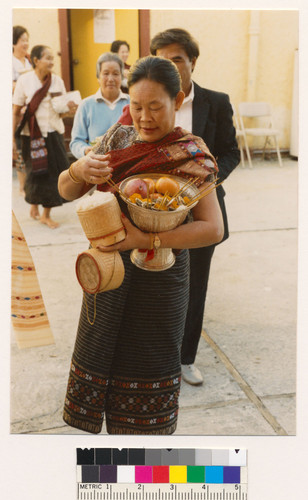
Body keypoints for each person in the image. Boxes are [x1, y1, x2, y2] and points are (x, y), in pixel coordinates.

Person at [59, 56, 224, 435]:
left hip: (160, 281)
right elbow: (65, 190)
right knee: (101, 355)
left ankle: (146, 465)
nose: (144, 118)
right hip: (108, 273)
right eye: (136, 106)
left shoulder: (191, 152)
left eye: (155, 107)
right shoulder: (118, 138)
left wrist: (147, 238)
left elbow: (212, 228)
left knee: (148, 370)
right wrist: (77, 170)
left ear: (178, 100)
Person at [150, 28, 240, 385]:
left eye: (176, 59)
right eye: (161, 59)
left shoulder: (215, 102)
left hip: (203, 213)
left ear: (192, 62)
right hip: (155, 210)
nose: (170, 67)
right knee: (156, 286)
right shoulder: (151, 103)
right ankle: (155, 357)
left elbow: (231, 151)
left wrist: (209, 182)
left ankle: (185, 359)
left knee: (195, 286)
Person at [12, 45, 77, 228]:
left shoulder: (56, 81)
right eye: (47, 58)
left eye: (52, 58)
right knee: (34, 173)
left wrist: (70, 109)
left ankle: (45, 214)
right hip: (30, 135)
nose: (51, 61)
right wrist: (11, 139)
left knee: (54, 173)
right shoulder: (24, 81)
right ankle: (35, 208)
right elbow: (16, 111)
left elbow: (62, 111)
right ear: (36, 60)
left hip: (53, 132)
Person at [69, 52, 129, 159]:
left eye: (115, 74)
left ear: (121, 77)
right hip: (96, 164)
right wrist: (86, 150)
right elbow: (76, 141)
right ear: (98, 77)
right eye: (106, 74)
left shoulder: (132, 103)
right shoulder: (86, 105)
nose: (110, 79)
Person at [12, 25, 32, 194]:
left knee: (29, 145)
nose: (25, 43)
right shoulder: (9, 61)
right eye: (22, 40)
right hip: (16, 109)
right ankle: (21, 186)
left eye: (27, 40)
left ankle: (30, 183)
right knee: (18, 146)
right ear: (13, 42)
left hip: (30, 110)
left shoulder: (29, 60)